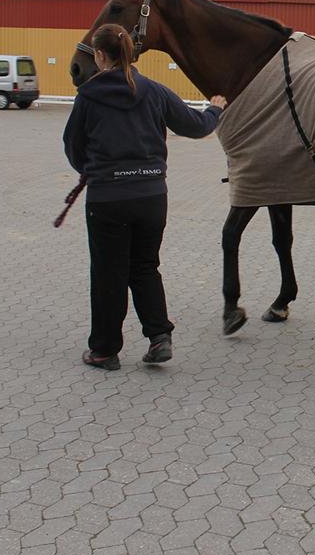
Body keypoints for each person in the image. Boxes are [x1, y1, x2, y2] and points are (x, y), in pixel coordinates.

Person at [63, 23, 228, 370]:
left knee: (109, 274)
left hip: (108, 199)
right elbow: (196, 126)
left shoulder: (89, 96)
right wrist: (214, 109)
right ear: (129, 53)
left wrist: (95, 171)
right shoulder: (154, 91)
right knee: (145, 267)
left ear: (99, 55)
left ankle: (105, 351)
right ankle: (159, 337)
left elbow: (73, 148)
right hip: (152, 196)